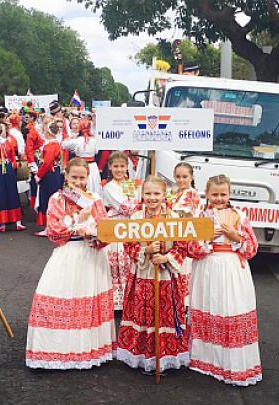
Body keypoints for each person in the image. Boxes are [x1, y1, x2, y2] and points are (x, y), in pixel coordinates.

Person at [25, 157, 115, 369]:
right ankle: (57, 350)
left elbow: (104, 227)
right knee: (61, 294)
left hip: (91, 254)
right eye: (74, 177)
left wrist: (95, 234)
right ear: (66, 175)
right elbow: (54, 230)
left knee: (88, 297)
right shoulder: (58, 198)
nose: (78, 182)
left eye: (82, 178)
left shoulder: (93, 198)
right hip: (69, 253)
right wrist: (78, 223)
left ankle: (88, 349)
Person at [182, 174, 261, 386]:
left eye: (223, 194)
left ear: (230, 193)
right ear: (206, 194)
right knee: (209, 306)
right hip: (207, 266)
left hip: (232, 267)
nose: (219, 198)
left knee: (229, 308)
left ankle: (232, 362)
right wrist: (206, 238)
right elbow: (189, 248)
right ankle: (206, 359)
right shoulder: (199, 216)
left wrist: (235, 236)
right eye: (214, 194)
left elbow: (252, 249)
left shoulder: (240, 216)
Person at [117, 176, 190, 373]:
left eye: (156, 193)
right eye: (148, 193)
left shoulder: (174, 218)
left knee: (163, 313)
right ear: (142, 195)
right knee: (143, 313)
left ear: (164, 194)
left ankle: (164, 358)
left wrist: (166, 258)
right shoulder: (135, 218)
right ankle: (142, 357)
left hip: (166, 275)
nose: (152, 198)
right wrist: (146, 250)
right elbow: (128, 244)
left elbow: (183, 246)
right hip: (143, 273)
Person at [101, 152, 143, 310]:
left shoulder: (130, 183)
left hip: (131, 224)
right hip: (117, 224)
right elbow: (125, 206)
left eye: (122, 166)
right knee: (118, 259)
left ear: (127, 167)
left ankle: (130, 297)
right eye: (116, 166)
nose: (119, 170)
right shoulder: (109, 187)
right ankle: (117, 302)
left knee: (130, 259)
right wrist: (142, 208)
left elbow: (136, 200)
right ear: (110, 167)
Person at [168, 162, 202, 305]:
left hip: (185, 239)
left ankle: (184, 307)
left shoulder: (191, 193)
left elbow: (181, 216)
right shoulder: (175, 193)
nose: (181, 180)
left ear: (191, 177)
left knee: (183, 273)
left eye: (184, 176)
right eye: (178, 176)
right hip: (175, 237)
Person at [34, 122, 64, 237]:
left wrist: (39, 175)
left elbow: (47, 163)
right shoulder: (55, 144)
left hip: (49, 175)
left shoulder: (51, 145)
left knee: (48, 199)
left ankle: (49, 227)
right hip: (54, 173)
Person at [61, 117, 100, 194]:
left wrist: (71, 137)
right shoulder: (94, 140)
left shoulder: (76, 141)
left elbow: (63, 145)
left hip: (79, 166)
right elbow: (96, 152)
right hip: (92, 167)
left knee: (77, 184)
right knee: (93, 187)